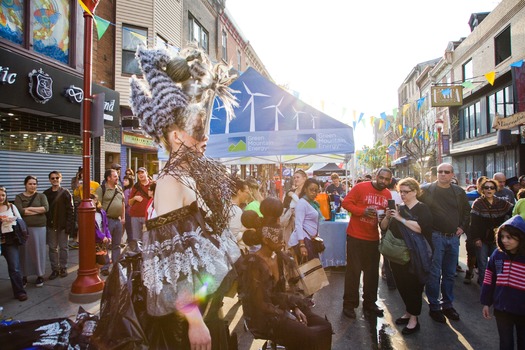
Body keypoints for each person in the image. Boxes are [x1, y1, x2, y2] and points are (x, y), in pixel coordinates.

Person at [97, 45, 241, 348]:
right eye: (198, 130)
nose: (205, 139)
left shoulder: (188, 175)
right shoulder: (168, 182)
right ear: (176, 136)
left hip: (208, 303)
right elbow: (167, 261)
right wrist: (195, 321)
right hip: (189, 319)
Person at [237, 197, 333, 350]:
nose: (283, 243)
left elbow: (284, 292)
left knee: (324, 327)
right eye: (278, 239)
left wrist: (294, 307)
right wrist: (288, 315)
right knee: (310, 336)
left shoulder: (279, 257)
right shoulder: (253, 264)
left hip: (282, 307)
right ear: (266, 240)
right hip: (265, 317)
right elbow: (260, 303)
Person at [380, 178, 433, 335]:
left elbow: (421, 228)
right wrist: (388, 216)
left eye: (406, 192)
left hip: (415, 254)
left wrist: (400, 218)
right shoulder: (399, 208)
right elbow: (383, 227)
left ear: (415, 191)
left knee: (414, 286)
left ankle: (414, 319)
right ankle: (409, 311)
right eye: (400, 192)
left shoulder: (422, 208)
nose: (402, 195)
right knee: (402, 284)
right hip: (397, 254)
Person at [418, 163, 470, 323]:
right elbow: (416, 209)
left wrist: (462, 226)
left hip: (453, 238)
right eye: (439, 171)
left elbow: (467, 211)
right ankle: (434, 307)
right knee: (434, 274)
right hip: (435, 237)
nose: (442, 174)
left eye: (446, 172)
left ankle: (447, 305)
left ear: (452, 174)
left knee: (449, 274)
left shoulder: (459, 192)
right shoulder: (426, 190)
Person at [341, 168, 392, 319]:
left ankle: (370, 303)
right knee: (353, 272)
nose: (383, 181)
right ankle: (349, 304)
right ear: (376, 176)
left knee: (371, 274)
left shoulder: (387, 194)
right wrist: (362, 211)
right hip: (355, 236)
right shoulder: (361, 187)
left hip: (373, 238)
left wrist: (388, 218)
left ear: (390, 180)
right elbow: (345, 203)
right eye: (381, 178)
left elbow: (384, 218)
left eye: (386, 179)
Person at [480, 215, 525, 350]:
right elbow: (489, 279)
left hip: (523, 311)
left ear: (521, 237)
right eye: (502, 237)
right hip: (502, 309)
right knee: (505, 344)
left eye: (509, 237)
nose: (504, 241)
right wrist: (486, 302)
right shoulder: (497, 255)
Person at [469, 178, 512, 286]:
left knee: (498, 264)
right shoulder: (478, 203)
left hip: (497, 239)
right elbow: (473, 224)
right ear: (482, 189)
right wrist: (476, 239)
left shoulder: (501, 203)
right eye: (486, 187)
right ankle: (485, 290)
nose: (489, 190)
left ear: (495, 189)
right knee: (483, 266)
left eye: (492, 188)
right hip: (482, 239)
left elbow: (512, 211)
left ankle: (497, 288)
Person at [15, 175, 49, 288]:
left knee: (39, 251)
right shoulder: (19, 197)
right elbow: (20, 211)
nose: (32, 186)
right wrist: (37, 211)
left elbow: (45, 208)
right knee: (24, 252)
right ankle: (24, 276)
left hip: (40, 227)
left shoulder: (41, 196)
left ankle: (40, 275)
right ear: (25, 184)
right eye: (30, 183)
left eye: (34, 183)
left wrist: (28, 209)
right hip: (24, 229)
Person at [43, 171, 74, 280]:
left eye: (57, 178)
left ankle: (63, 268)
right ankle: (55, 269)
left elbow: (71, 210)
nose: (55, 180)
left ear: (60, 179)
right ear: (49, 180)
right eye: (52, 178)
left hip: (63, 226)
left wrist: (69, 226)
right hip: (51, 226)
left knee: (63, 248)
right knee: (52, 248)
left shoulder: (65, 193)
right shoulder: (46, 193)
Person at [95, 169, 125, 276]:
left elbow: (122, 204)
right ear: (108, 178)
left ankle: (116, 265)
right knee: (106, 244)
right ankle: (105, 266)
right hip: (107, 221)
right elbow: (96, 205)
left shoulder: (119, 188)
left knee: (117, 245)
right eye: (115, 176)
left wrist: (123, 218)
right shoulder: (101, 189)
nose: (117, 178)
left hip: (117, 220)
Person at [0, 186, 28, 301]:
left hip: (10, 239)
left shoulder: (11, 207)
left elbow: (20, 222)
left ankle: (19, 292)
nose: (1, 197)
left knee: (14, 267)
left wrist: (11, 220)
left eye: (2, 195)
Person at [288, 178, 323, 262]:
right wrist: (302, 245)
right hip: (303, 241)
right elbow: (298, 224)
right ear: (305, 189)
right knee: (311, 270)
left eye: (316, 190)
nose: (314, 193)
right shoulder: (302, 203)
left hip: (310, 240)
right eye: (311, 190)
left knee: (313, 270)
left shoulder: (313, 204)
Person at [127, 167, 152, 246]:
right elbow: (130, 203)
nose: (140, 175)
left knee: (147, 238)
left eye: (142, 173)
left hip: (147, 216)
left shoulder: (152, 185)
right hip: (135, 216)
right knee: (136, 240)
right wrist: (135, 198)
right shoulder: (136, 186)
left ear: (146, 173)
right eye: (139, 173)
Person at [91, 193, 111, 271]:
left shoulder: (101, 212)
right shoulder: (89, 213)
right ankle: (95, 276)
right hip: (94, 240)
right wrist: (102, 236)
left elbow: (105, 225)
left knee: (101, 261)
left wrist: (108, 236)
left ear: (96, 201)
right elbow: (93, 228)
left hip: (101, 241)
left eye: (91, 200)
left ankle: (97, 276)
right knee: (97, 261)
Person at [230, 178, 250, 252]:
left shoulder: (228, 206)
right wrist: (245, 233)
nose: (248, 195)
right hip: (236, 251)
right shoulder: (235, 210)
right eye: (247, 192)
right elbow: (232, 235)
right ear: (239, 192)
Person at [122, 175, 134, 241]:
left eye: (126, 180)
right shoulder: (132, 190)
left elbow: (125, 203)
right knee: (131, 231)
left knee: (129, 231)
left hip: (127, 213)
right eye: (124, 180)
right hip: (132, 212)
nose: (124, 181)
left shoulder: (126, 191)